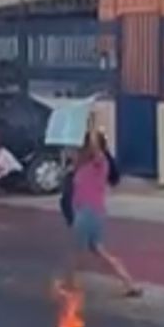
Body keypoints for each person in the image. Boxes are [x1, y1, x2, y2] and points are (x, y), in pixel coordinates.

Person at [60, 127, 142, 297]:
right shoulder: (85, 165)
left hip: (88, 212)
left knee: (78, 250)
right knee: (97, 250)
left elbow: (96, 148)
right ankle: (128, 283)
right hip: (87, 211)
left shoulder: (100, 162)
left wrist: (92, 130)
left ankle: (69, 284)